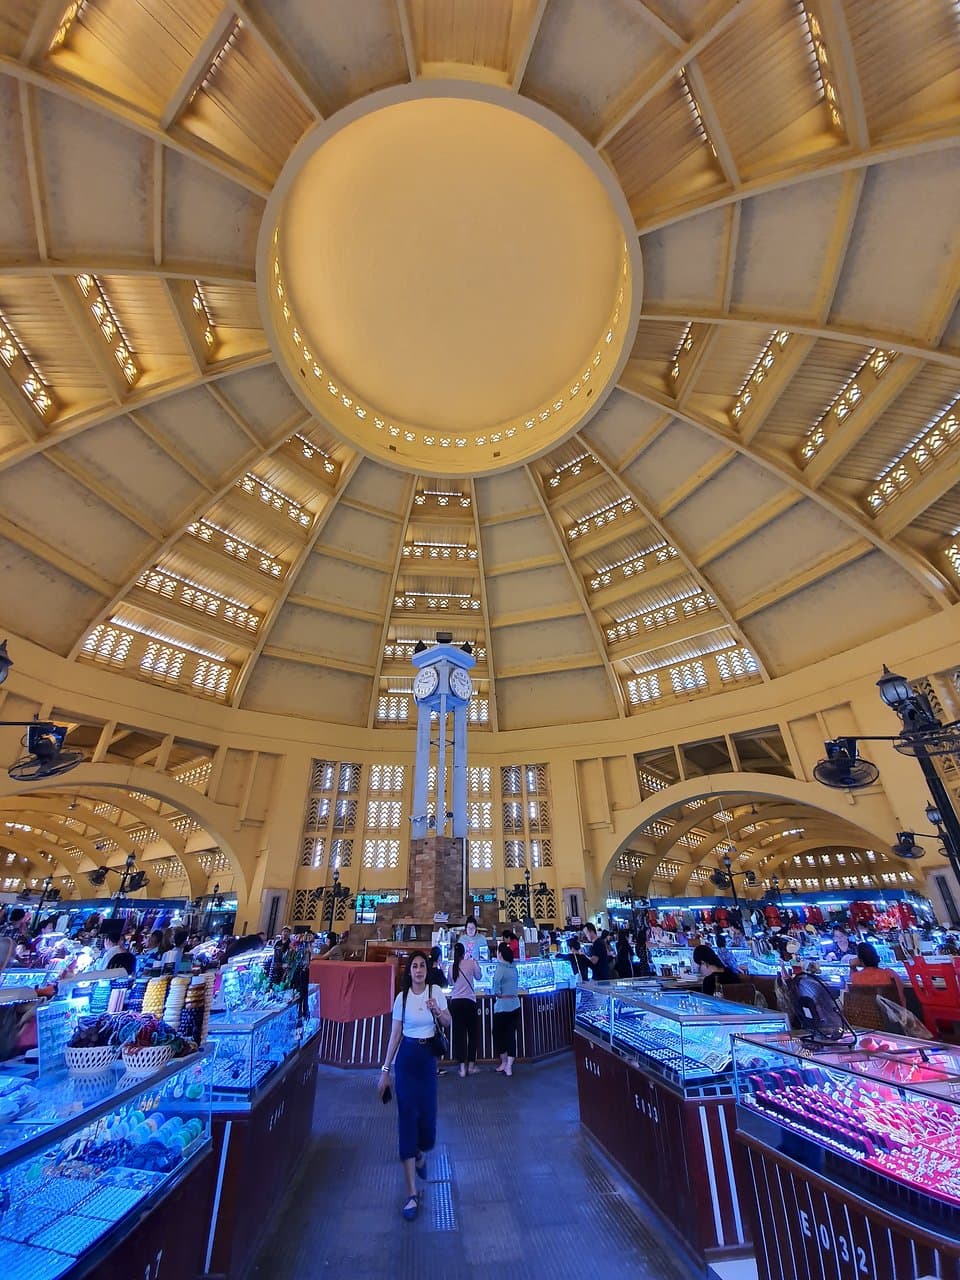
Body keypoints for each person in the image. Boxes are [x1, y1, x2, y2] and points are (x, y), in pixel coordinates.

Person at [377, 951, 452, 1221]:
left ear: (427, 969)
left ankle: (420, 1152)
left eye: (422, 966)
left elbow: (447, 1022)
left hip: (427, 1061)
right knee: (406, 1118)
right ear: (409, 971)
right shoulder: (402, 998)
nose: (418, 970)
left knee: (428, 1123)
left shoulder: (436, 992)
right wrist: (385, 1070)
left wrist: (436, 1009)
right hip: (406, 1061)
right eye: (414, 966)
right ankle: (411, 1193)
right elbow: (395, 1034)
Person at [448, 942, 480, 1078]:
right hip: (469, 1002)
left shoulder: (451, 967)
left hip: (455, 1003)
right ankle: (471, 1066)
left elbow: (450, 983)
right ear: (464, 952)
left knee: (459, 1035)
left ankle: (461, 1068)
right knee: (473, 1034)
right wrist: (476, 964)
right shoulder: (471, 962)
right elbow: (479, 977)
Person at [491, 941, 520, 1076]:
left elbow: (495, 989)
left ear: (500, 954)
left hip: (502, 1007)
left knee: (497, 1034)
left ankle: (503, 1062)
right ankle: (509, 1065)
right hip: (515, 1005)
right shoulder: (513, 967)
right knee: (510, 1035)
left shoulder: (500, 969)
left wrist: (498, 994)